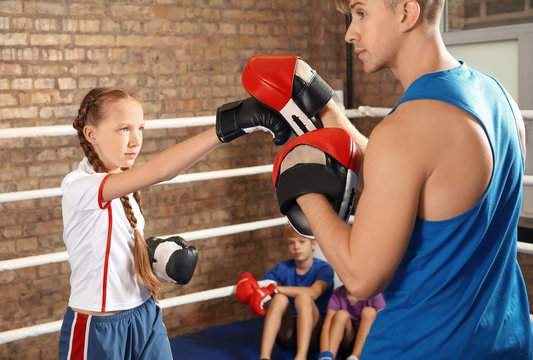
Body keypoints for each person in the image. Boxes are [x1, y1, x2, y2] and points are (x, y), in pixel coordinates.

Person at [237, 0, 532, 358]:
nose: (350, 33)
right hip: (505, 340)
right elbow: (409, 178)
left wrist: (300, 183)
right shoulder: (499, 99)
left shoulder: (405, 130)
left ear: (406, 13)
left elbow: (360, 278)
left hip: (419, 346)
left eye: (361, 13)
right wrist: (327, 110)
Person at [58, 87, 292, 359]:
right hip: (99, 327)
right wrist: (230, 126)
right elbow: (163, 170)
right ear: (91, 134)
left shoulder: (125, 187)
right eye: (124, 129)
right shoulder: (79, 186)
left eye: (140, 128)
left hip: (145, 313)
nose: (135, 141)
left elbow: (112, 250)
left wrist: (154, 260)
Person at [238, 225, 334, 360]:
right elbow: (261, 289)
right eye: (291, 242)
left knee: (303, 298)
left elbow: (313, 292)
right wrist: (249, 287)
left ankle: (301, 356)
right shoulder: (282, 268)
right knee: (279, 299)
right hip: (287, 333)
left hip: (314, 333)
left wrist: (276, 289)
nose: (296, 247)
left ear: (313, 244)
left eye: (302, 241)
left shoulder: (324, 269)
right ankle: (264, 357)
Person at [318, 286, 385, 360]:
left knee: (369, 312)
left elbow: (384, 323)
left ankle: (354, 357)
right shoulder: (338, 294)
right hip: (348, 341)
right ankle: (329, 357)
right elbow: (327, 327)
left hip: (367, 343)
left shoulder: (373, 292)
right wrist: (324, 353)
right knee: (341, 315)